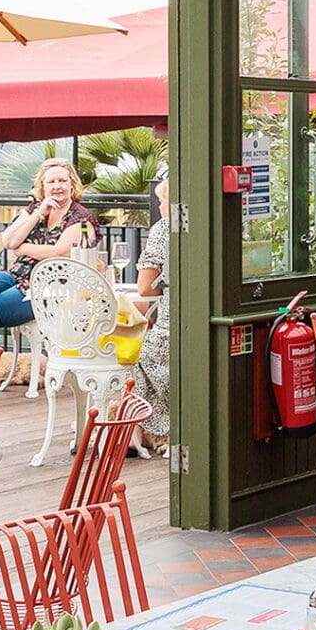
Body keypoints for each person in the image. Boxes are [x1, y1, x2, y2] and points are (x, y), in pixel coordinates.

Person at [0, 158, 98, 357]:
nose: (57, 186)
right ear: (42, 186)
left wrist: (23, 247)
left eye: (62, 181)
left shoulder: (81, 217)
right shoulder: (35, 209)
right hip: (17, 277)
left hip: (49, 288)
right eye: (51, 182)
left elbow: (59, 252)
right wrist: (38, 215)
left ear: (72, 184)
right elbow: (8, 241)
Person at [131, 170, 172, 454]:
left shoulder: (163, 229)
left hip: (171, 333)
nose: (160, 207)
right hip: (197, 331)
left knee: (135, 356)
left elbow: (144, 288)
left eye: (162, 201)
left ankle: (143, 431)